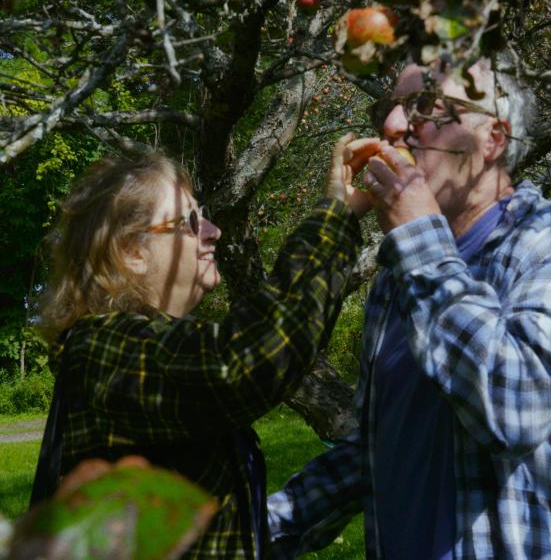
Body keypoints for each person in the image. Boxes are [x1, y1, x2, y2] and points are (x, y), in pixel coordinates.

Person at [267, 56, 551, 559]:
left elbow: (515, 411)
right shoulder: (399, 277)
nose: (394, 126)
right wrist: (259, 528)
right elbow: (382, 449)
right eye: (389, 110)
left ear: (493, 141)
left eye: (424, 106)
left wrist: (419, 239)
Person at [34, 135, 379, 559]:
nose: (212, 232)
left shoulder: (149, 349)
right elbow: (247, 363)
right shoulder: (99, 351)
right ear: (131, 252)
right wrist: (335, 216)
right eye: (191, 222)